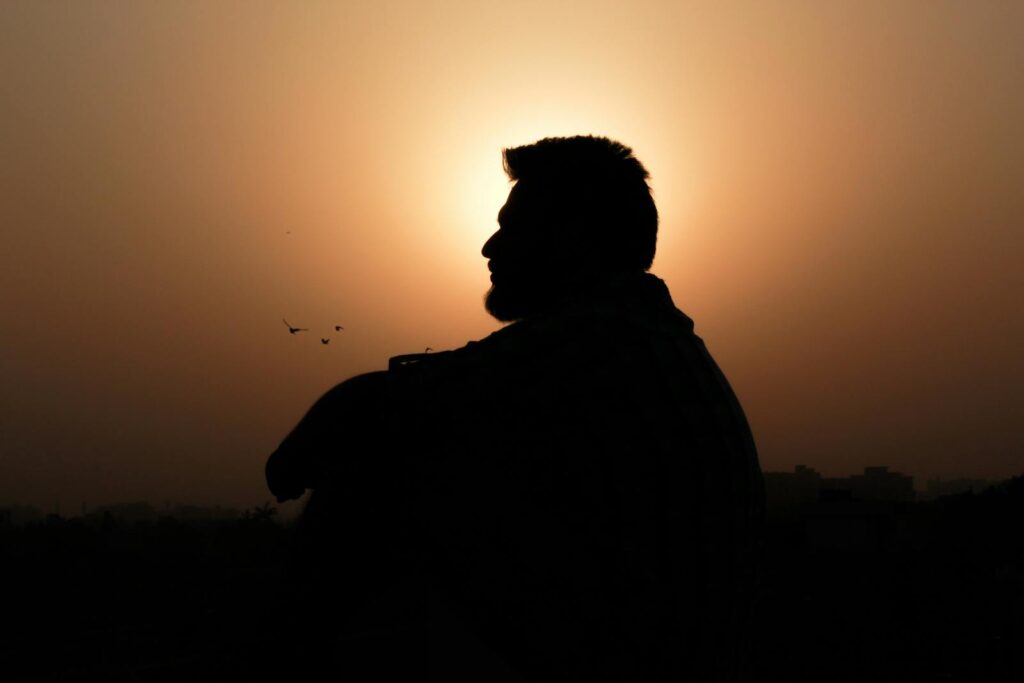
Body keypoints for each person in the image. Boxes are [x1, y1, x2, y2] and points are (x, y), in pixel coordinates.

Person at [266, 135, 764, 681]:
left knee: (377, 470)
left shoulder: (592, 345)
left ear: (572, 239)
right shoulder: (652, 340)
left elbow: (364, 409)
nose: (490, 247)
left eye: (512, 227)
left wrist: (301, 462)